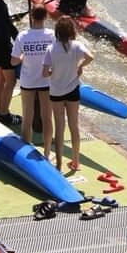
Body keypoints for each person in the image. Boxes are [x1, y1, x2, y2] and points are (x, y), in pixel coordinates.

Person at [42, 16, 93, 171]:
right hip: (73, 91)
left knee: (59, 127)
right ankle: (76, 162)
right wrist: (80, 65)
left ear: (57, 32)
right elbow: (90, 57)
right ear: (72, 31)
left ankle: (58, 164)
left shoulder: (51, 49)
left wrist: (51, 72)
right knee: (74, 125)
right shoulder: (77, 46)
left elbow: (45, 73)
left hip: (56, 92)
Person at [11, 5, 55, 153]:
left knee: (27, 116)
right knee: (47, 117)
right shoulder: (52, 35)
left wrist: (25, 56)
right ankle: (47, 151)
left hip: (28, 81)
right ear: (46, 17)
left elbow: (13, 61)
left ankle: (26, 148)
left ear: (31, 17)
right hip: (46, 81)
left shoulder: (23, 36)